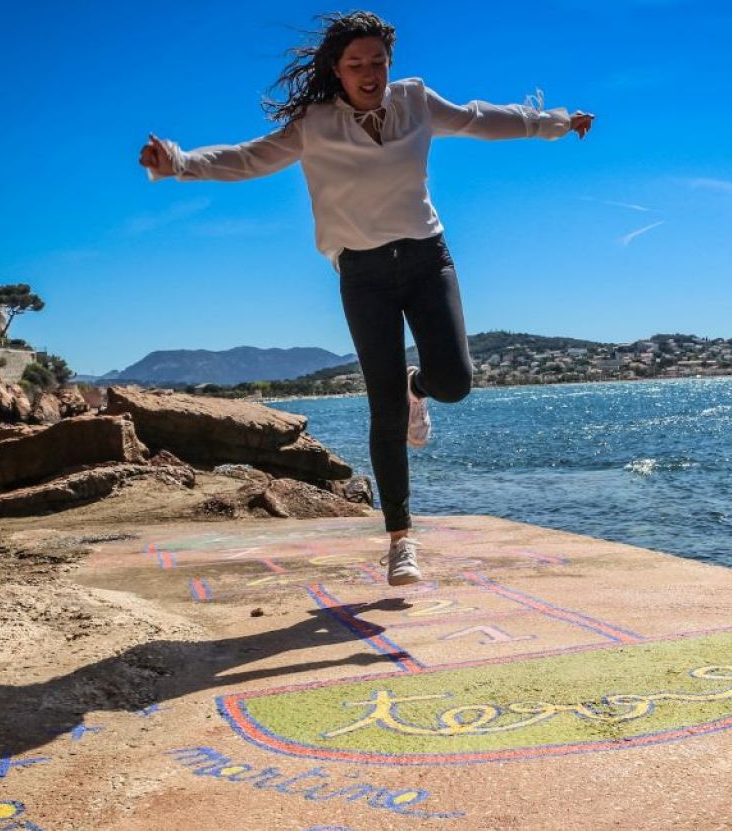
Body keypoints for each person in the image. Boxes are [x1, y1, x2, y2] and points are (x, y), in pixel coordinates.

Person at [140, 10, 594, 585]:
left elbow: (481, 118)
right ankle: (401, 539)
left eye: (378, 61)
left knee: (455, 382)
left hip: (427, 257)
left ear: (389, 63)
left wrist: (555, 122)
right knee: (383, 410)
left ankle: (417, 387)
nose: (369, 72)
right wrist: (180, 162)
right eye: (356, 63)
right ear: (337, 69)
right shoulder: (315, 123)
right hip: (363, 273)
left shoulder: (415, 101)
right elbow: (250, 157)